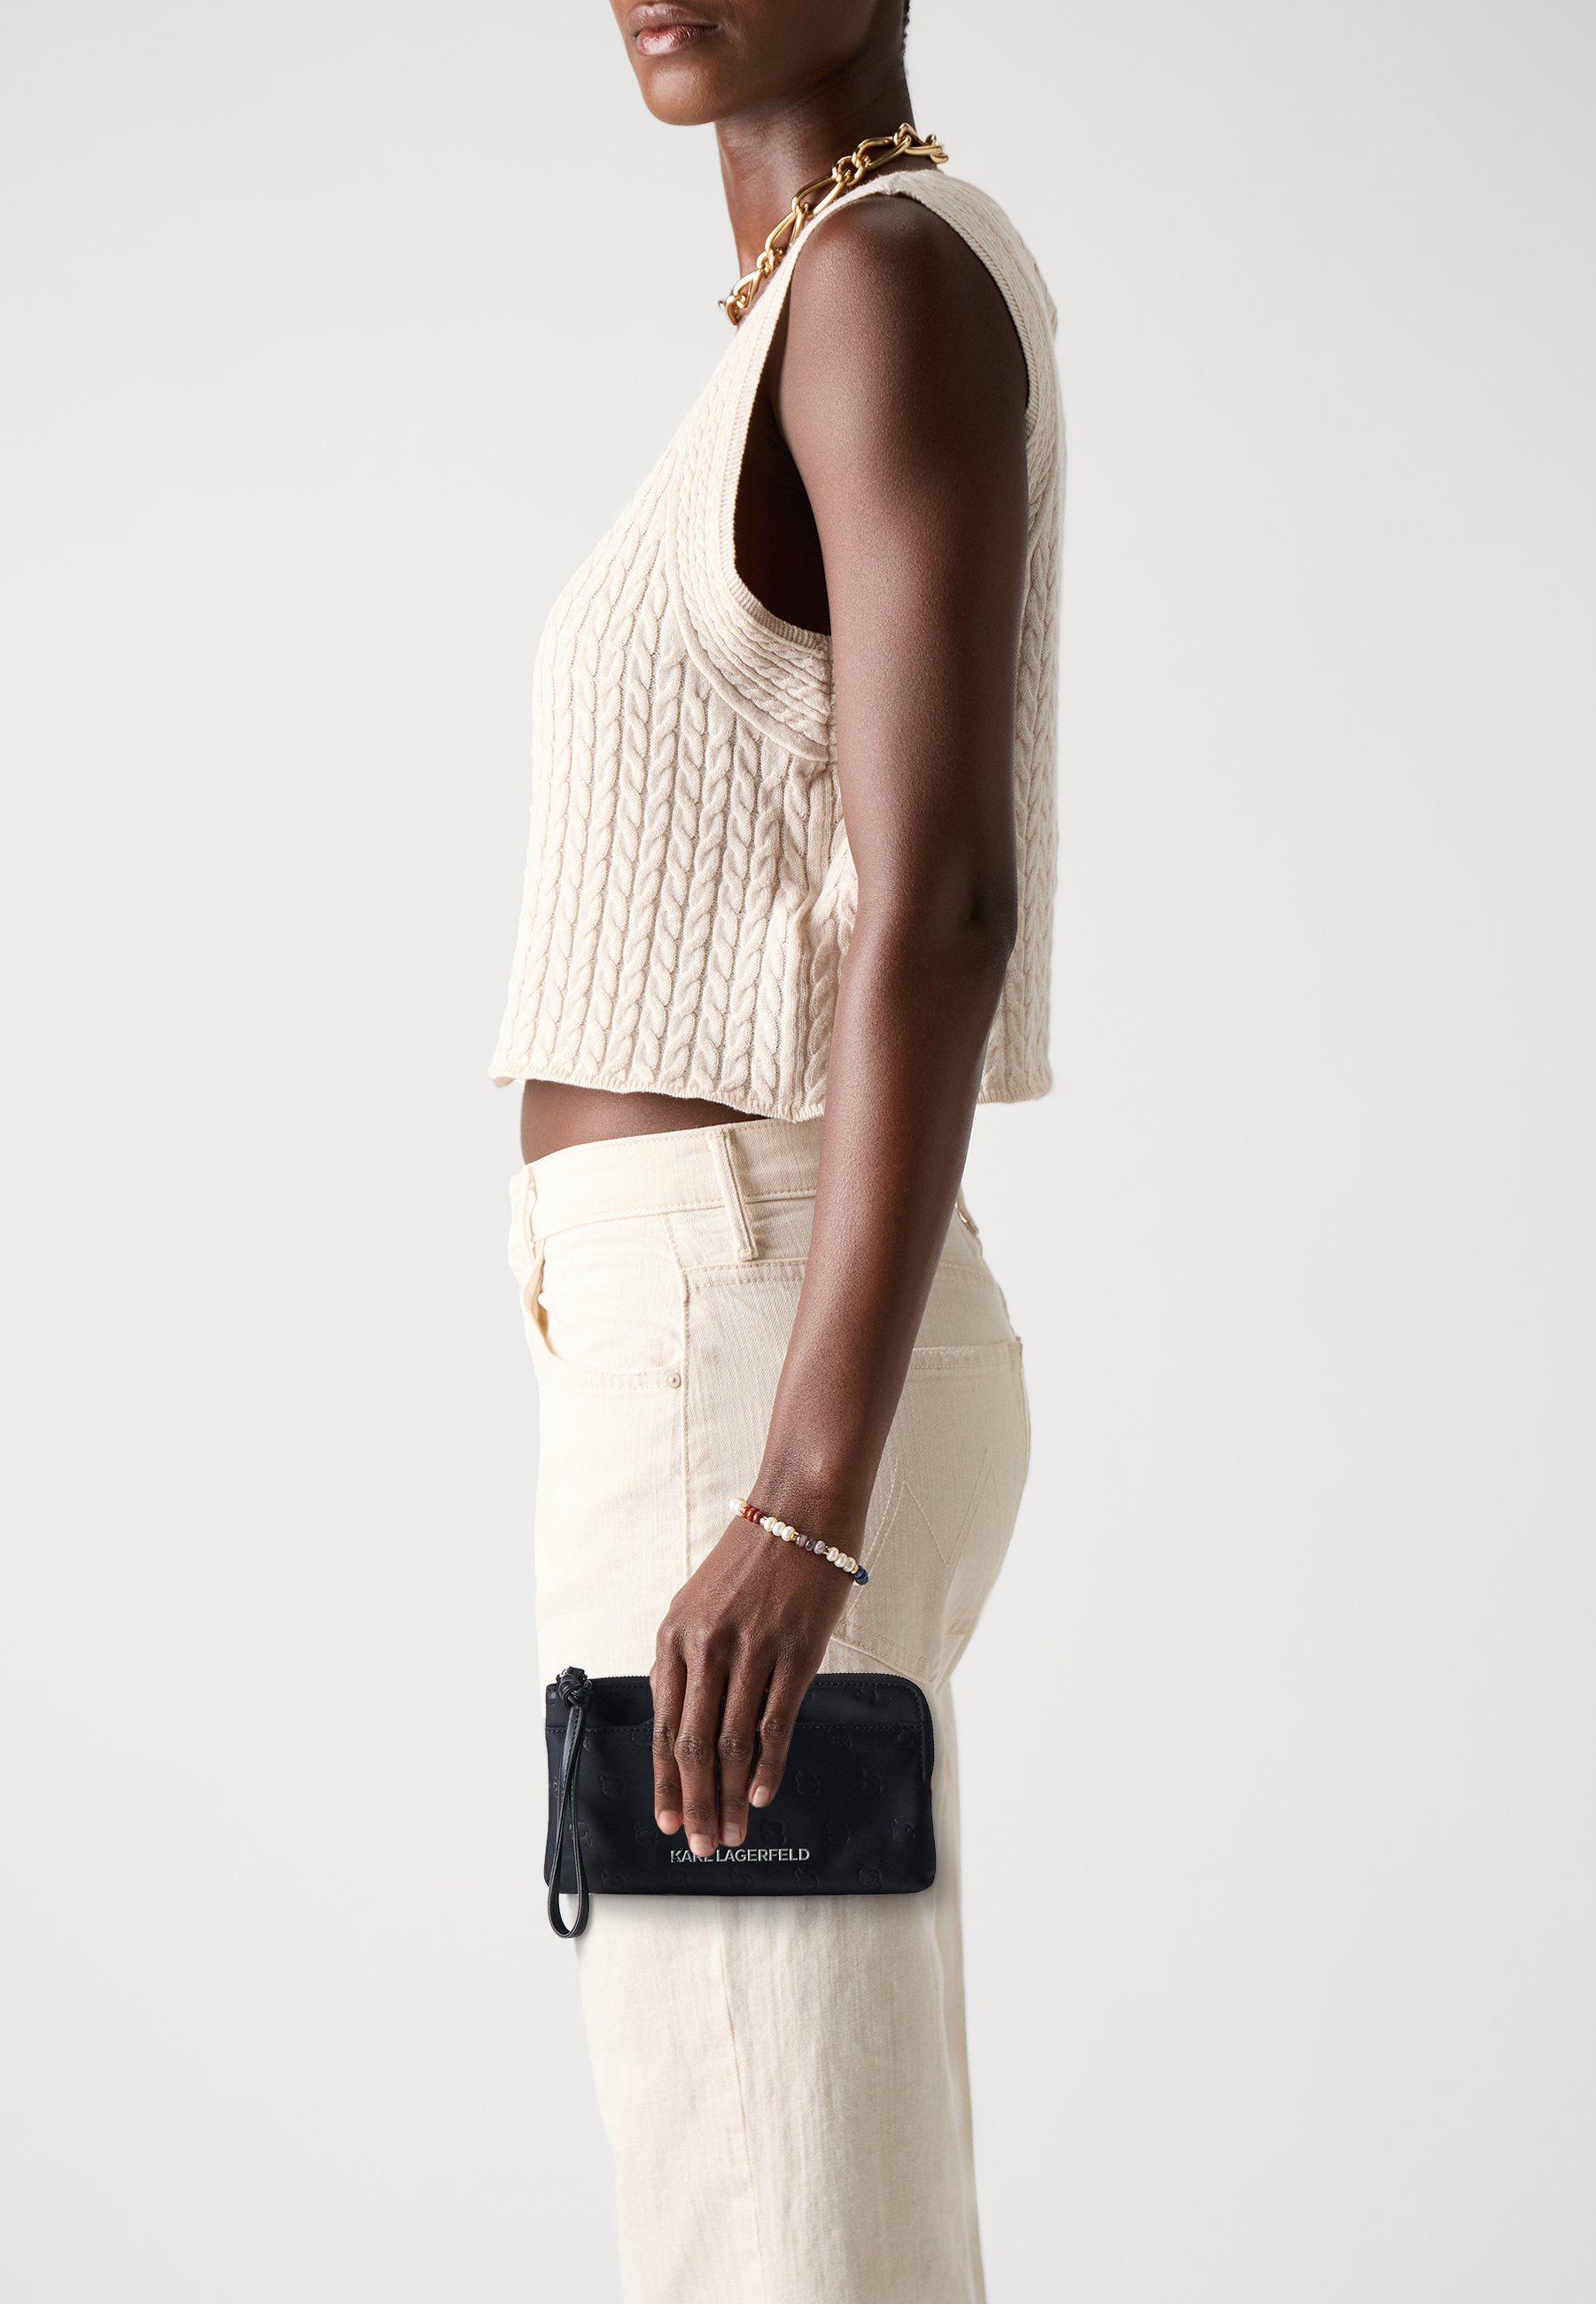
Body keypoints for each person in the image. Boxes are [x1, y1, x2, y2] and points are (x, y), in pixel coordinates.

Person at [489, 4, 1063, 2297]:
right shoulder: (824, 297)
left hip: (750, 1353)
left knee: (769, 2222)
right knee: (783, 2183)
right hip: (720, 1330)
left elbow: (941, 897)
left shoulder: (880, 277)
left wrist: (805, 1492)